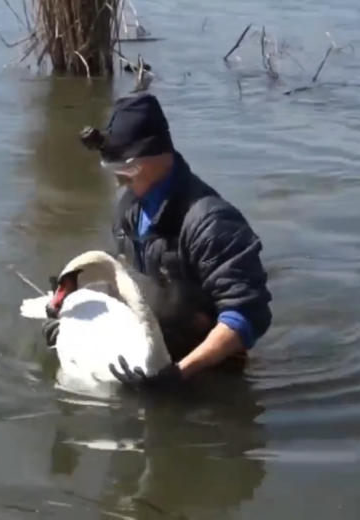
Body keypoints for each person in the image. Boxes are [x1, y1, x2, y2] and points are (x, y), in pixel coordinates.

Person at [44, 92, 273, 391]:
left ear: (156, 156)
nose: (120, 180)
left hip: (208, 369)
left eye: (125, 169)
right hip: (149, 349)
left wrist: (179, 374)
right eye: (113, 170)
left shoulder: (212, 223)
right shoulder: (126, 205)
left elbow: (247, 315)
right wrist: (74, 322)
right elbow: (123, 283)